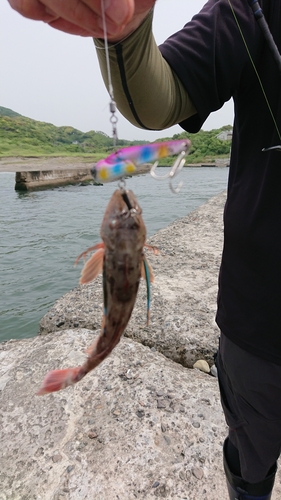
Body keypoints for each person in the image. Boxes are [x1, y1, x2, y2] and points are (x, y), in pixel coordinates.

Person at [8, 1, 281, 498]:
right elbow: (161, 97)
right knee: (251, 461)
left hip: (252, 327)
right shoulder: (250, 9)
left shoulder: (108, 247)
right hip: (260, 325)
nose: (125, 209)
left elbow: (97, 271)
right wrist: (127, 35)